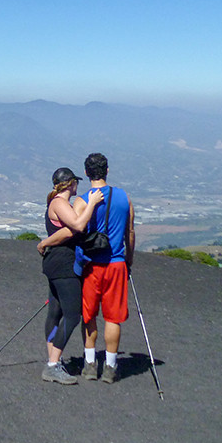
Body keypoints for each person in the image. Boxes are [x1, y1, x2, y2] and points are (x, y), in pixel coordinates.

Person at [71, 152, 135, 384]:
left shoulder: (82, 200)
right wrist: (129, 260)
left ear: (86, 173)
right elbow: (130, 232)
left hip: (91, 265)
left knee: (89, 315)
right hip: (116, 264)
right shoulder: (123, 198)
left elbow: (76, 231)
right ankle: (110, 366)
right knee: (113, 318)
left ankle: (89, 365)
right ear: (107, 170)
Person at [36, 167, 103, 385]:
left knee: (55, 312)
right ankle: (53, 365)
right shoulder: (59, 203)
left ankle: (53, 360)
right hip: (63, 265)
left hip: (56, 262)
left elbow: (68, 231)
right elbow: (77, 225)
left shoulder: (57, 203)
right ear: (70, 183)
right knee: (73, 315)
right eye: (76, 182)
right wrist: (92, 203)